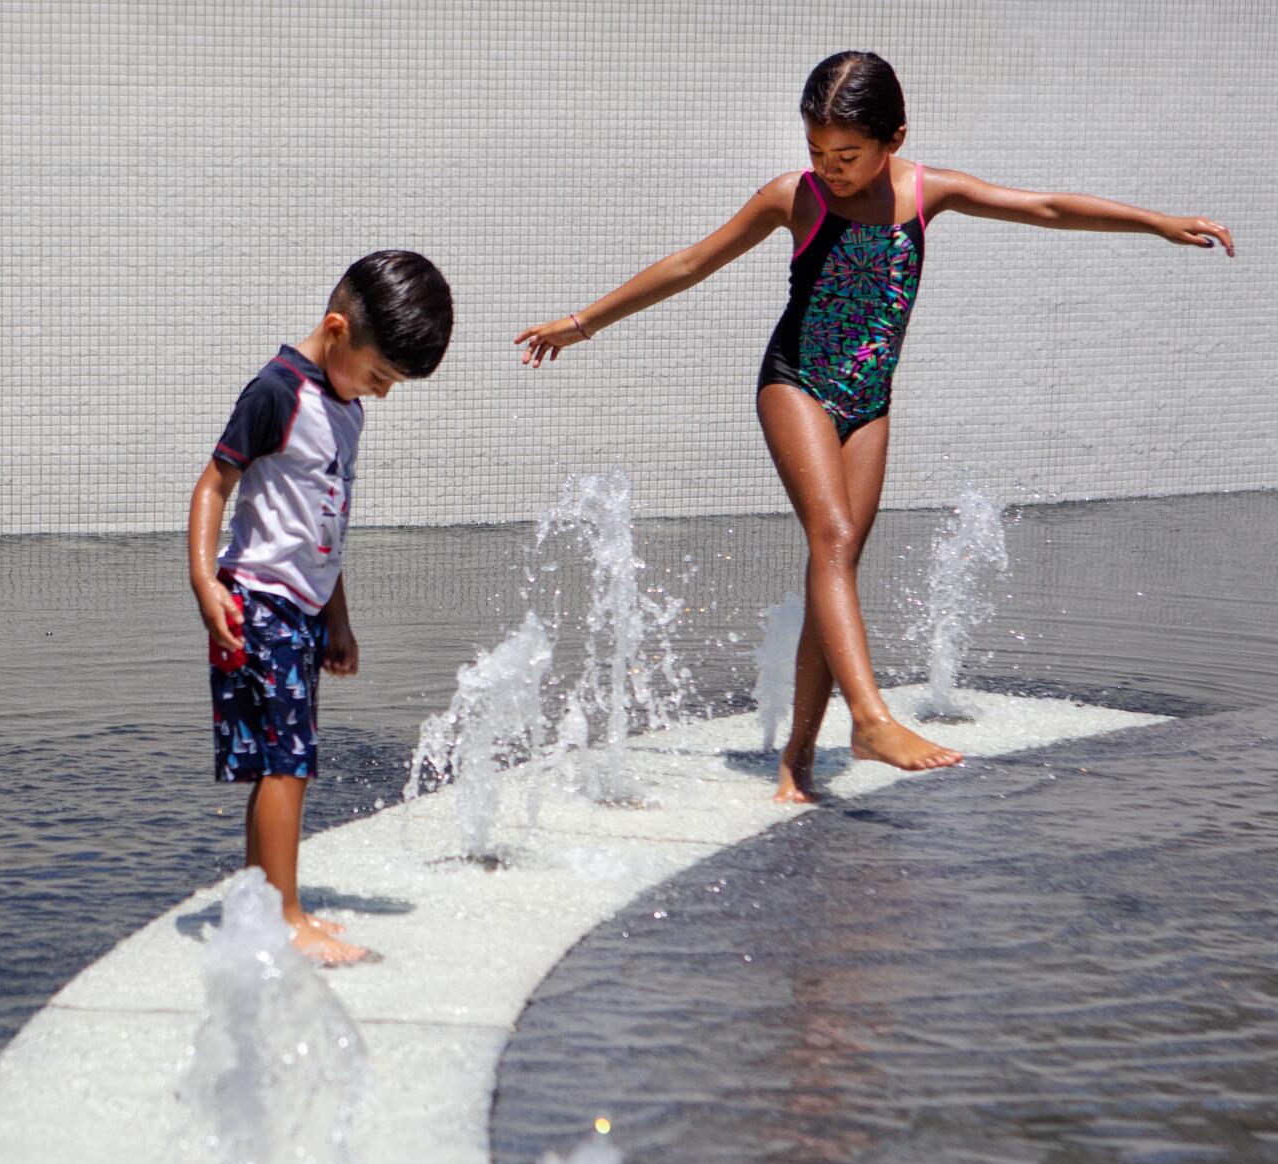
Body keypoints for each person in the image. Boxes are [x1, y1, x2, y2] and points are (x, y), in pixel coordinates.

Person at [515, 50, 1234, 803]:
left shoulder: (930, 192)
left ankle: (797, 760)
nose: (831, 168)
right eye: (817, 152)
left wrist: (1157, 223)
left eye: (849, 155)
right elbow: (691, 262)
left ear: (895, 137)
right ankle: (869, 717)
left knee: (838, 568)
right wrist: (581, 322)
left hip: (870, 401)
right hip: (795, 383)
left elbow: (1046, 207)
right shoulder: (794, 199)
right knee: (829, 538)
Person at [188, 251, 454, 964]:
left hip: (301, 608)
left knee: (286, 758)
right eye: (379, 376)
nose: (382, 394)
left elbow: (323, 523)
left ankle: (266, 906)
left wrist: (338, 618)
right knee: (289, 760)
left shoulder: (345, 408)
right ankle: (281, 917)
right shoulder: (278, 392)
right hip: (258, 600)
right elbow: (213, 485)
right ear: (335, 329)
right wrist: (204, 582)